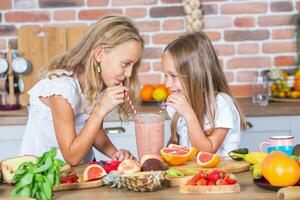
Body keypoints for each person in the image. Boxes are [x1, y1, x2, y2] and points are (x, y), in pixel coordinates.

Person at [20, 15, 144, 165]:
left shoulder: (97, 83)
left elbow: (92, 131)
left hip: (80, 173)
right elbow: (72, 157)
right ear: (99, 54)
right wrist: (101, 109)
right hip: (44, 175)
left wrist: (115, 154)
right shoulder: (62, 89)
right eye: (126, 64)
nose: (129, 73)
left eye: (133, 66)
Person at [162, 31, 246, 156]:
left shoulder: (220, 104)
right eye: (165, 75)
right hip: (191, 174)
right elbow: (178, 148)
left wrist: (188, 114)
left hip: (221, 174)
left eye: (173, 76)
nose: (167, 84)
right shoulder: (182, 103)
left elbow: (208, 150)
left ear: (196, 75)